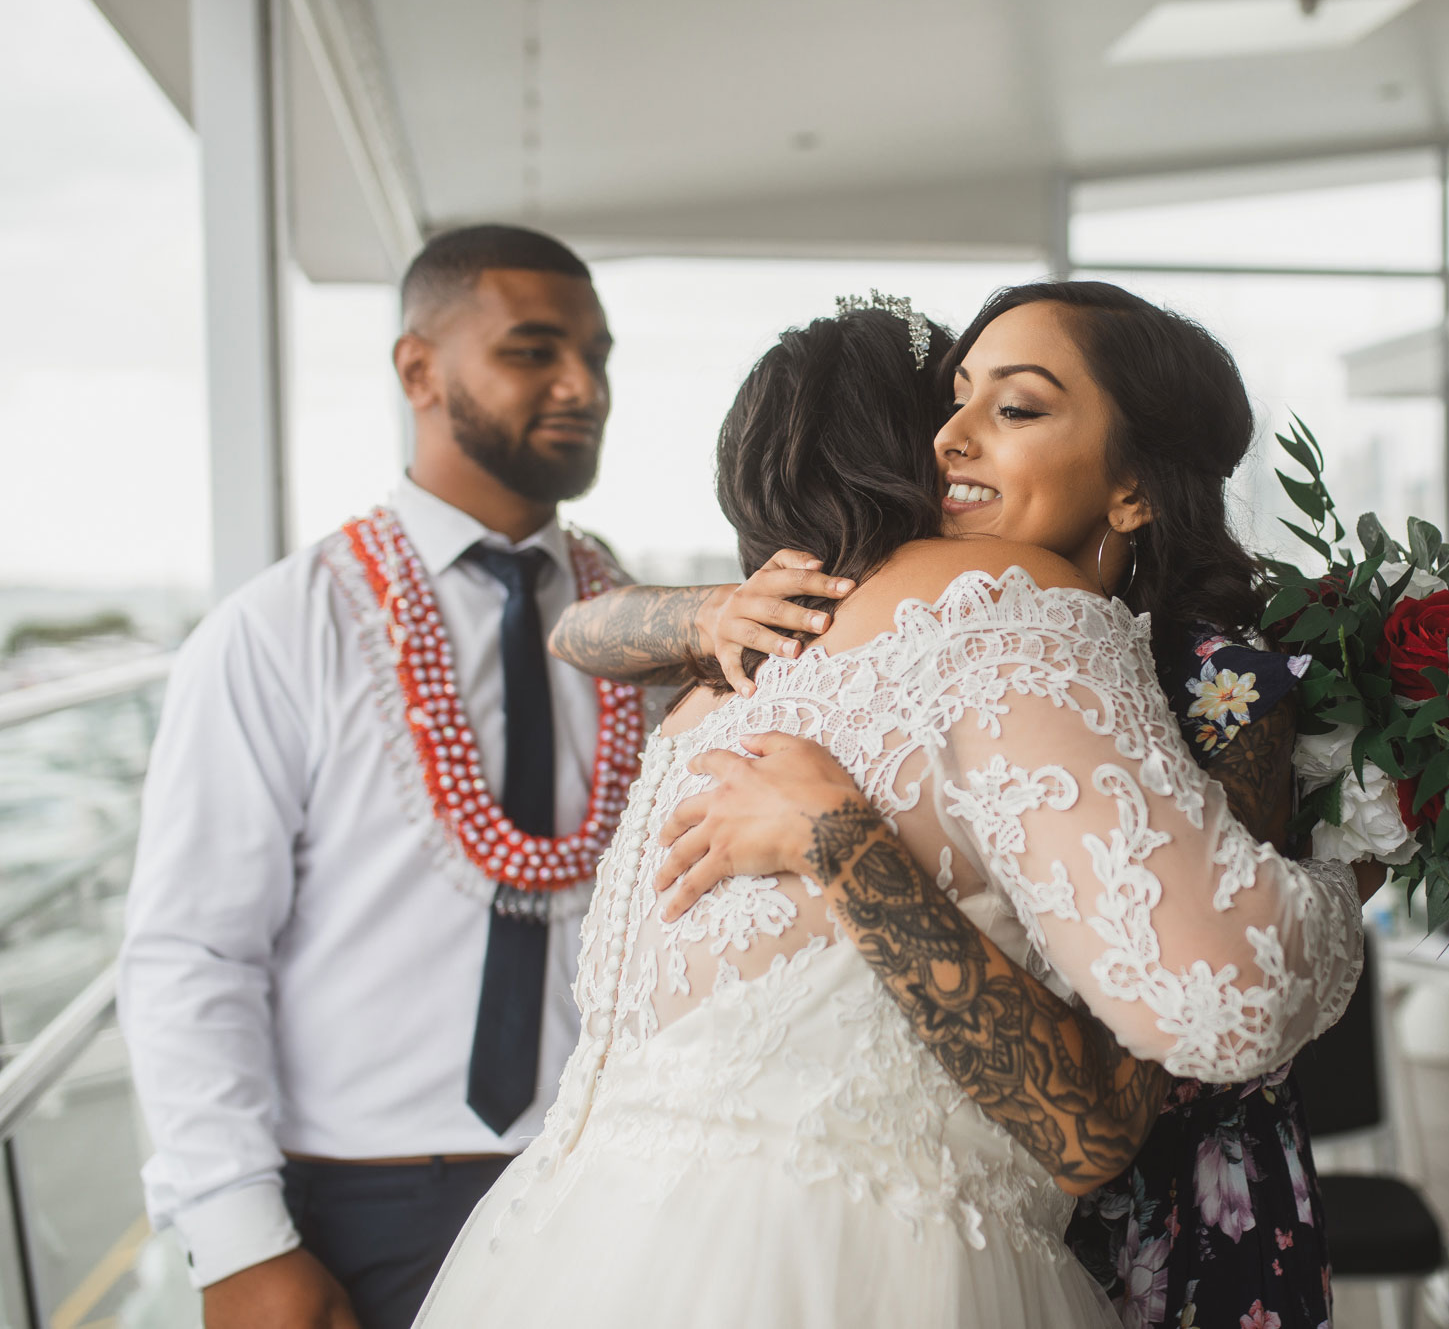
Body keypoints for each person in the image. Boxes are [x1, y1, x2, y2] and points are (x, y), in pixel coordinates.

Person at [413, 290, 1363, 1326]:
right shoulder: (999, 611)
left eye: (1014, 407)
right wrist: (1353, 860)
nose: (954, 439)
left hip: (582, 1254)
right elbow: (1125, 1089)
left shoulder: (724, 686)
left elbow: (580, 632)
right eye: (950, 403)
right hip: (866, 1263)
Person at [118, 226, 633, 1329]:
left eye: (597, 354)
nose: (581, 384)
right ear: (418, 370)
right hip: (363, 1202)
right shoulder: (277, 630)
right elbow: (193, 953)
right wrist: (241, 1243)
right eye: (533, 350)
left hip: (611, 1182)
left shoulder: (639, 631)